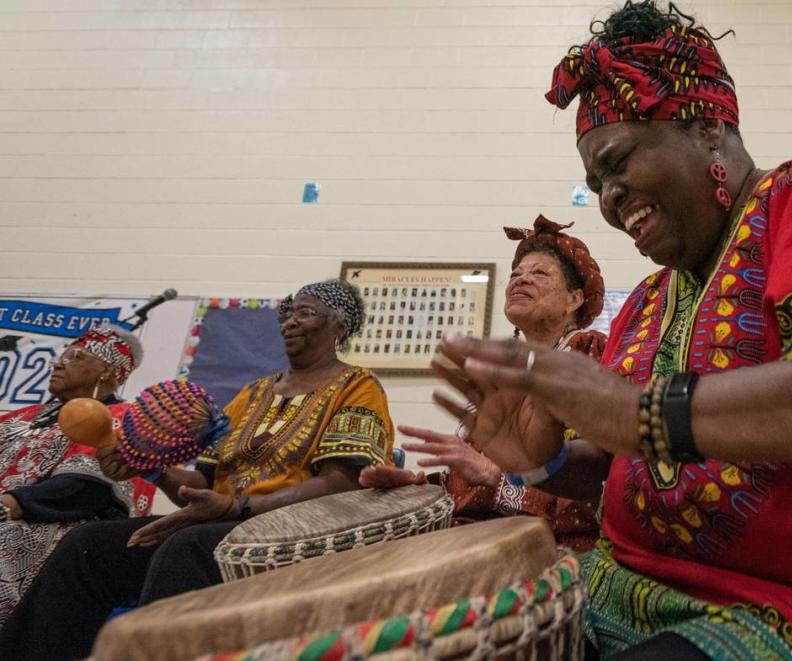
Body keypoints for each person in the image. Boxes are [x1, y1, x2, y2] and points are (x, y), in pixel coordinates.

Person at [430, 2, 792, 660]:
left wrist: (644, 412)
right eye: (596, 182)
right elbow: (630, 464)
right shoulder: (648, 302)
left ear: (709, 127)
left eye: (618, 162)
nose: (609, 197)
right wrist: (547, 460)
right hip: (626, 595)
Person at [0, 280, 394, 660]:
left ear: (339, 324)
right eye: (288, 312)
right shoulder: (253, 393)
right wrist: (149, 468)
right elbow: (200, 483)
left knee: (185, 547)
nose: (290, 320)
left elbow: (343, 482)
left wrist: (235, 509)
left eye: (305, 313)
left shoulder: (358, 386)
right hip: (222, 524)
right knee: (90, 547)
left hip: (298, 531)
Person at [362, 216, 605, 552]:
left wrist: (494, 477)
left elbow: (590, 486)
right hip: (479, 538)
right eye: (516, 274)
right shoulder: (502, 370)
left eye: (540, 273)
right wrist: (424, 487)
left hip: (550, 548)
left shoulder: (585, 353)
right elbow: (477, 480)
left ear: (574, 300)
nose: (520, 280)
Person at [0, 326, 154, 628]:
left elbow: (85, 488)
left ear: (106, 371)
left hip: (51, 525)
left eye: (75, 357)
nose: (58, 363)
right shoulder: (21, 416)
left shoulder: (126, 416)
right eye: (61, 356)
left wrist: (9, 504)